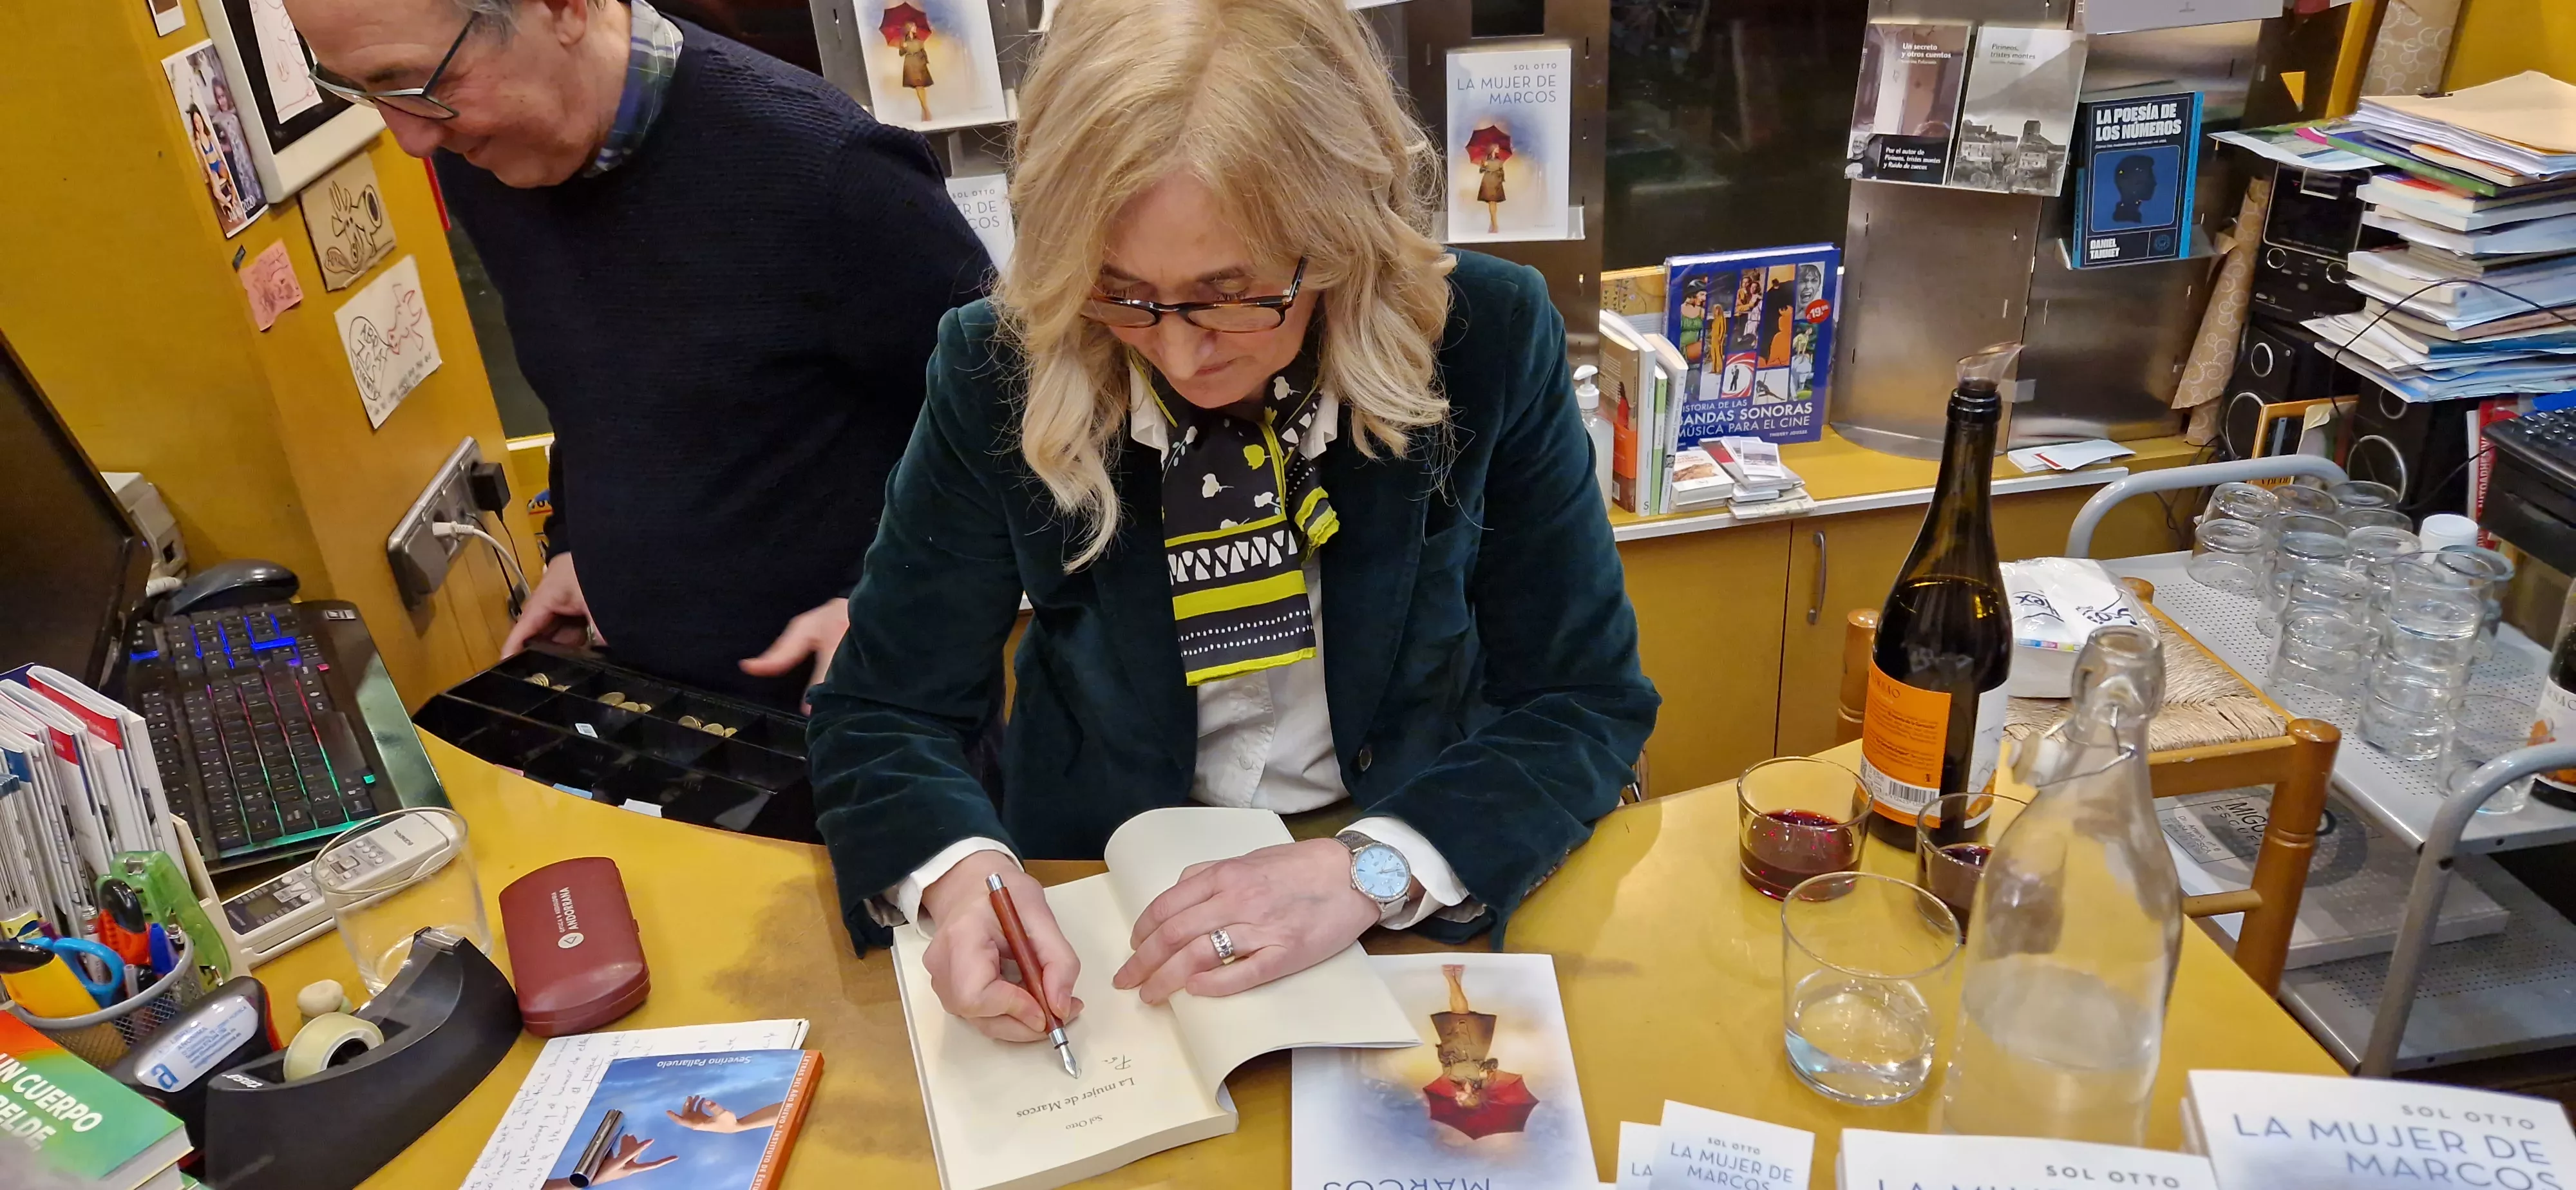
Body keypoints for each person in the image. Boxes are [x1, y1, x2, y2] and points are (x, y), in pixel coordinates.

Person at [807, 0, 1657, 1046]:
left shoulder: (1485, 337)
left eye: (1233, 294)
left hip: (1410, 872)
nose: (1180, 356)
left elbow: (1580, 698)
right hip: (1100, 899)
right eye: (1123, 292)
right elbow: (883, 708)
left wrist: (1375, 865)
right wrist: (957, 871)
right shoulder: (1000, 366)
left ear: (1340, 230)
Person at [287, 0, 990, 707]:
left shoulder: (835, 171)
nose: (410, 138)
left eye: (417, 83)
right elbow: (595, 379)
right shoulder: (485, 154)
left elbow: (1018, 426)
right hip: (653, 691)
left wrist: (894, 601)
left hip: (865, 704)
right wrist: (574, 545)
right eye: (361, 90)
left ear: (563, 9)